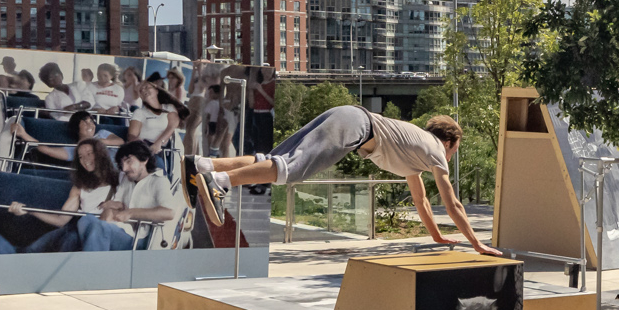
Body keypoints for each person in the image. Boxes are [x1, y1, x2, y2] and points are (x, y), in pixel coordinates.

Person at [193, 107, 496, 255]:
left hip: (349, 116)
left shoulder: (414, 149)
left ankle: (203, 165)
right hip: (356, 126)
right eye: (455, 150)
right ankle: (220, 181)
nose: (452, 157)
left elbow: (421, 200)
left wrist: (436, 236)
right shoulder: (436, 151)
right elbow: (451, 201)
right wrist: (477, 243)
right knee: (290, 170)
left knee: (272, 161)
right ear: (451, 142)